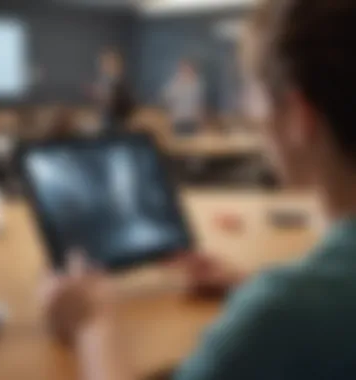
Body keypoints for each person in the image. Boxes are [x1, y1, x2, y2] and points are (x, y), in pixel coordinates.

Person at [42, 0, 356, 379]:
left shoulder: (281, 314)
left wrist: (94, 326)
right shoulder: (311, 300)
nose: (245, 108)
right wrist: (248, 283)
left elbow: (300, 317)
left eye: (251, 90)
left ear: (299, 118)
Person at [93, 49, 135, 133]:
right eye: (106, 64)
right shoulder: (103, 83)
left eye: (112, 64)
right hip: (106, 125)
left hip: (121, 125)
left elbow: (122, 106)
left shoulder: (121, 86)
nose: (108, 67)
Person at [162, 59, 205, 136]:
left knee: (192, 142)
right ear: (181, 69)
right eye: (184, 68)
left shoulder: (197, 84)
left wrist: (200, 119)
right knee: (179, 141)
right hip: (178, 120)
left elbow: (199, 103)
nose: (187, 70)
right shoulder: (174, 83)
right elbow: (167, 99)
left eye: (189, 68)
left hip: (192, 120)